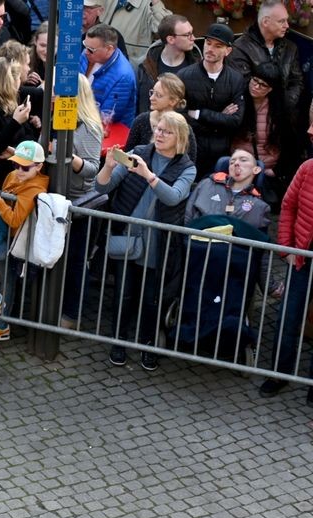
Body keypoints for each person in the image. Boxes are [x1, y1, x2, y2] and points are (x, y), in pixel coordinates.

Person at [95, 110, 196, 370]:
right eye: (159, 129)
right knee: (123, 294)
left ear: (180, 137)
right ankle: (118, 344)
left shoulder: (187, 168)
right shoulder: (139, 151)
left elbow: (174, 197)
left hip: (159, 243)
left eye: (167, 131)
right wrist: (107, 167)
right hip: (128, 236)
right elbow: (103, 187)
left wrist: (148, 175)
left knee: (152, 298)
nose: (159, 134)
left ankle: (148, 346)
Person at [0, 140, 50, 344]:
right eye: (16, 164)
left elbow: (15, 218)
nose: (19, 170)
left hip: (16, 240)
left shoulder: (36, 188)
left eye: (25, 167)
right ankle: (2, 326)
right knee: (6, 279)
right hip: (3, 235)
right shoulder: (13, 175)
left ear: (39, 166)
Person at [259, 157, 313, 399]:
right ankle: (278, 374)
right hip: (302, 259)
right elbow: (289, 206)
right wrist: (286, 249)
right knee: (287, 318)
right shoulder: (307, 168)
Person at [59, 75, 107, 329]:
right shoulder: (55, 117)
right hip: (57, 199)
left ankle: (70, 314)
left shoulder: (88, 126)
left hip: (80, 204)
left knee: (76, 262)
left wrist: (69, 158)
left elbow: (92, 169)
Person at [177, 23, 244, 180]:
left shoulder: (235, 79)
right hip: (191, 148)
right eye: (208, 43)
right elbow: (180, 116)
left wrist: (200, 114)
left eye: (218, 46)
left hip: (221, 151)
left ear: (228, 51)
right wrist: (220, 117)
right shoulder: (184, 76)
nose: (210, 49)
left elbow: (235, 121)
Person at [233, 62, 301, 208]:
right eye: (254, 80)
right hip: (238, 165)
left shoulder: (279, 111)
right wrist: (226, 117)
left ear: (271, 89)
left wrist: (275, 171)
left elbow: (291, 145)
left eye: (262, 85)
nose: (256, 86)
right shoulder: (238, 100)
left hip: (265, 169)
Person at [227, 0, 303, 115]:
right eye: (281, 21)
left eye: (286, 20)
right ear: (266, 22)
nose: (287, 26)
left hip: (284, 117)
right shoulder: (240, 48)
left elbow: (297, 82)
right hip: (251, 120)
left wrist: (283, 107)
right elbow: (243, 89)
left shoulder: (290, 48)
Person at [185, 148, 270, 231]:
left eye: (243, 160)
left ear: (256, 169)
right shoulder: (206, 184)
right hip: (197, 242)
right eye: (232, 162)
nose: (236, 163)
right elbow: (188, 215)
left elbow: (255, 237)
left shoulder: (259, 205)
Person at [125, 73, 196, 163]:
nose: (151, 98)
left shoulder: (184, 129)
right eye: (152, 92)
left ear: (173, 101)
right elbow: (127, 157)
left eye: (158, 95)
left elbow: (190, 163)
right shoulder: (141, 120)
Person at [135, 14, 197, 115]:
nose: (193, 38)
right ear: (171, 39)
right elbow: (136, 103)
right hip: (148, 126)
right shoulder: (145, 66)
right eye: (187, 35)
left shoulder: (196, 67)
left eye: (192, 33)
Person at [81, 24, 136, 127]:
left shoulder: (123, 76)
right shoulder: (87, 54)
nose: (86, 52)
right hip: (84, 123)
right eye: (85, 45)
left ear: (109, 49)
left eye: (91, 49)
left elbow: (108, 116)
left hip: (108, 133)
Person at [100, 0, 171, 66]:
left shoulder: (148, 4)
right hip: (99, 56)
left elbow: (166, 29)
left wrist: (155, 3)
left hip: (128, 64)